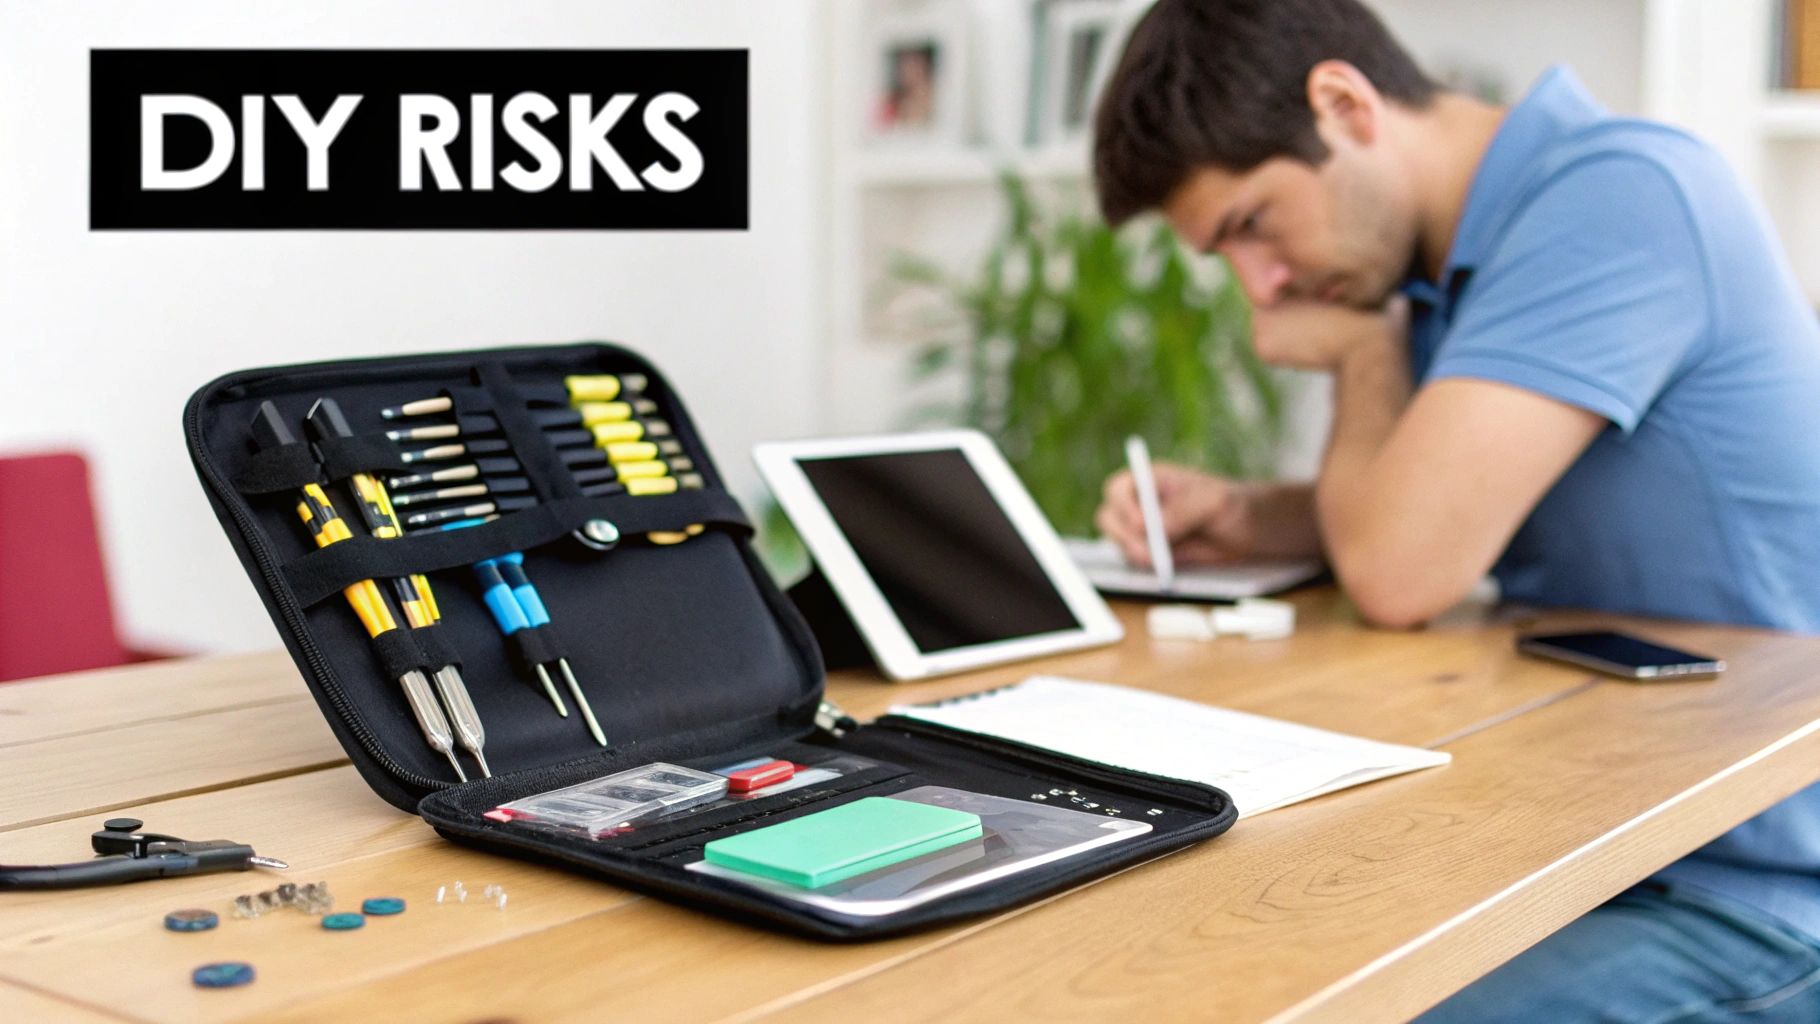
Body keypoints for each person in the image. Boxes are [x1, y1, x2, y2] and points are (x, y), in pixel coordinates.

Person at [1089, 0, 1820, 1019]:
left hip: (1754, 878)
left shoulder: (1612, 196)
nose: (1261, 287)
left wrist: (1359, 345)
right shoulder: (1446, 257)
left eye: (1251, 224)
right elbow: (1439, 504)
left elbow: (1400, 570)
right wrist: (1250, 515)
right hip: (1601, 826)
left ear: (1342, 105)